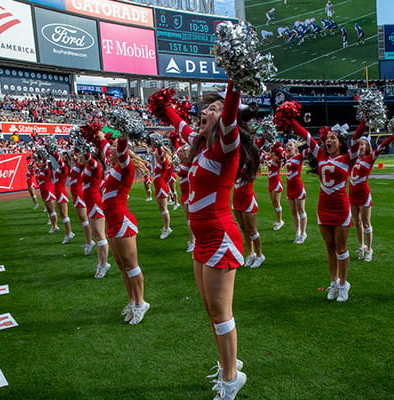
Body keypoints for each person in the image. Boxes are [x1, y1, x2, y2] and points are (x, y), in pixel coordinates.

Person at [159, 80, 252, 399]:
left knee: (221, 312)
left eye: (211, 109)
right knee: (211, 311)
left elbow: (228, 117)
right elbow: (179, 123)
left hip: (220, 236)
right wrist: (165, 106)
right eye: (205, 108)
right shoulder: (201, 146)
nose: (204, 112)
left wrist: (235, 80)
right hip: (202, 239)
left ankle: (230, 380)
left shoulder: (228, 144)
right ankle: (230, 364)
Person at [290, 119, 366, 302]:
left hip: (340, 208)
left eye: (333, 138)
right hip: (323, 208)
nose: (328, 141)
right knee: (329, 247)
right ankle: (333, 283)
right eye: (327, 138)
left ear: (340, 143)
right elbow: (305, 135)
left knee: (341, 247)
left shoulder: (348, 158)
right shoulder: (321, 156)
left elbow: (357, 137)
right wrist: (289, 117)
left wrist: (366, 119)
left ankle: (343, 284)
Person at [98, 131, 151, 325]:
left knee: (131, 265)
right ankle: (131, 301)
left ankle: (140, 303)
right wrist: (100, 136)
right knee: (122, 266)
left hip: (122, 221)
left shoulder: (125, 167)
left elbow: (119, 149)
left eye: (113, 146)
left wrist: (122, 132)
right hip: (111, 221)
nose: (110, 148)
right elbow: (106, 148)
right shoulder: (112, 167)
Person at [349, 135, 393, 261]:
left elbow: (380, 147)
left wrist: (393, 136)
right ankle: (360, 247)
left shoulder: (369, 158)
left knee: (366, 222)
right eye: (359, 144)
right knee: (357, 222)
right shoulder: (352, 158)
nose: (360, 146)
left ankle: (369, 249)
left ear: (367, 146)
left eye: (363, 144)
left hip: (363, 193)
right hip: (352, 194)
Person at [80, 132, 110, 279]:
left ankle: (104, 264)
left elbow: (88, 159)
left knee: (100, 235)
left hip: (95, 202)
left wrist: (82, 146)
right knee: (97, 236)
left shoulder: (96, 165)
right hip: (90, 202)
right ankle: (100, 263)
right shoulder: (89, 166)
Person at [233, 126, 264, 268]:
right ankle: (250, 253)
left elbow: (257, 147)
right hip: (236, 198)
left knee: (252, 229)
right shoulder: (236, 160)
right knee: (243, 228)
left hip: (247, 198)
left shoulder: (251, 160)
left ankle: (260, 254)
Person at [67, 150, 96, 255]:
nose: (74, 157)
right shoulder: (76, 166)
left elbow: (89, 158)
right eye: (72, 155)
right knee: (82, 219)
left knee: (84, 220)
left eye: (77, 154)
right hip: (75, 195)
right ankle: (89, 241)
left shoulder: (82, 166)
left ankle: (90, 242)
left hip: (79, 195)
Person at [50, 148, 75, 244]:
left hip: (61, 192)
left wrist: (54, 152)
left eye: (61, 155)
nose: (59, 157)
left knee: (64, 215)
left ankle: (68, 233)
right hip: (58, 192)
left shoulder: (64, 167)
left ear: (64, 158)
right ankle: (69, 233)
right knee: (62, 214)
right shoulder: (60, 168)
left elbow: (59, 160)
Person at [284, 139, 308, 244]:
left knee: (301, 210)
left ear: (295, 147)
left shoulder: (299, 157)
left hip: (298, 186)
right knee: (294, 212)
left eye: (290, 145)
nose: (288, 147)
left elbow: (310, 150)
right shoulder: (287, 158)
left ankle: (303, 233)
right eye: (287, 146)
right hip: (290, 187)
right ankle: (297, 233)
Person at [152, 145, 173, 239]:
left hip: (161, 187)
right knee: (161, 208)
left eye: (157, 154)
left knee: (164, 209)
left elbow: (161, 155)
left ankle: (167, 228)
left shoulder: (164, 163)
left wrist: (159, 146)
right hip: (158, 187)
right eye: (155, 154)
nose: (156, 156)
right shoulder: (159, 163)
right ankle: (165, 226)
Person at [35, 156, 58, 232]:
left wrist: (44, 156)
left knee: (52, 210)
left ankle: (54, 226)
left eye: (39, 162)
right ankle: (52, 224)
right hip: (44, 191)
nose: (38, 163)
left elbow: (45, 164)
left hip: (48, 191)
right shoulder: (40, 171)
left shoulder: (46, 170)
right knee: (49, 210)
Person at [266, 142, 285, 230]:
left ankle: (280, 220)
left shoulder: (278, 159)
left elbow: (282, 153)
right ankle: (278, 220)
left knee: (276, 202)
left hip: (276, 182)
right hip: (270, 182)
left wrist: (277, 149)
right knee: (273, 202)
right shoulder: (269, 157)